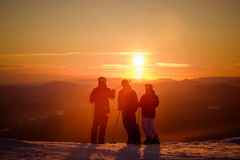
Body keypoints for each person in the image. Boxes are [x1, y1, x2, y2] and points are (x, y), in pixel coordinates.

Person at [90, 77, 115, 144]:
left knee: (95, 125)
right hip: (106, 111)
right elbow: (112, 97)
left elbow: (91, 100)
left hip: (97, 111)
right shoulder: (107, 90)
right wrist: (113, 92)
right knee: (103, 125)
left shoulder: (95, 90)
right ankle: (101, 140)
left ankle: (93, 139)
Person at [118, 79, 141, 144]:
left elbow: (119, 100)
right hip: (131, 112)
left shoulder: (121, 92)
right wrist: (135, 109)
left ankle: (132, 139)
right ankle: (136, 139)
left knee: (127, 126)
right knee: (133, 125)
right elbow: (136, 101)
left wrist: (119, 107)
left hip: (125, 112)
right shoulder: (132, 92)